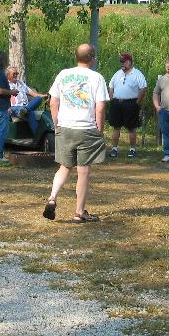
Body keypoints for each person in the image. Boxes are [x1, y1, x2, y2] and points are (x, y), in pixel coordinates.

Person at [43, 43, 109, 223]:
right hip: (86, 128)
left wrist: (56, 123)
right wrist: (100, 129)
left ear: (76, 57)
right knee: (83, 171)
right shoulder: (97, 78)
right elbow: (100, 107)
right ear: (93, 58)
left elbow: (53, 102)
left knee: (64, 167)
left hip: (65, 127)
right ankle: (79, 212)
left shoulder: (63, 74)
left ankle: (52, 198)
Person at [108, 52, 147, 159]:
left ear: (129, 62)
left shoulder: (137, 74)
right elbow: (110, 86)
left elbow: (143, 88)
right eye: (121, 61)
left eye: (123, 61)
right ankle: (114, 149)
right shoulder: (117, 73)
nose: (122, 64)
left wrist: (137, 102)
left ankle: (132, 149)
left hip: (131, 103)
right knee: (116, 127)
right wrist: (111, 98)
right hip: (117, 103)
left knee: (131, 127)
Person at [7, 66, 49, 134]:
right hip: (14, 109)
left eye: (17, 73)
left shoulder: (21, 83)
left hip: (25, 107)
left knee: (38, 99)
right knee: (30, 113)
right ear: (8, 75)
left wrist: (43, 95)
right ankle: (38, 136)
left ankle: (25, 109)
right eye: (14, 73)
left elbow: (32, 93)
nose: (16, 75)